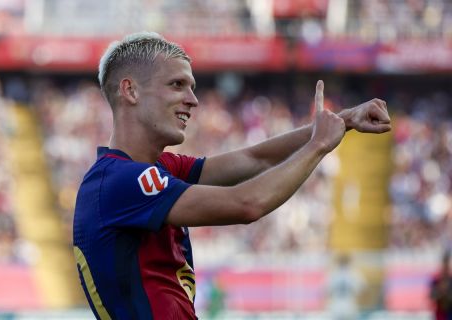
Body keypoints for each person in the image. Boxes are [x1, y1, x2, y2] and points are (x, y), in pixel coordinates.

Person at [72, 32, 391, 319]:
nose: (193, 100)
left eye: (192, 88)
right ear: (130, 90)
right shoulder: (119, 181)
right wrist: (320, 144)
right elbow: (247, 203)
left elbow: (256, 158)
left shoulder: (158, 169)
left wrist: (343, 121)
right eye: (177, 85)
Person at [327, 253, 365, 320]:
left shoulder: (333, 273)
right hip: (343, 305)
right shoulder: (354, 273)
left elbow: (327, 291)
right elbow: (361, 289)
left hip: (343, 304)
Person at [430, 250, 452, 320]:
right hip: (440, 313)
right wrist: (440, 291)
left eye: (447, 263)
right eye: (444, 263)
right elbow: (431, 296)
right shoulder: (436, 279)